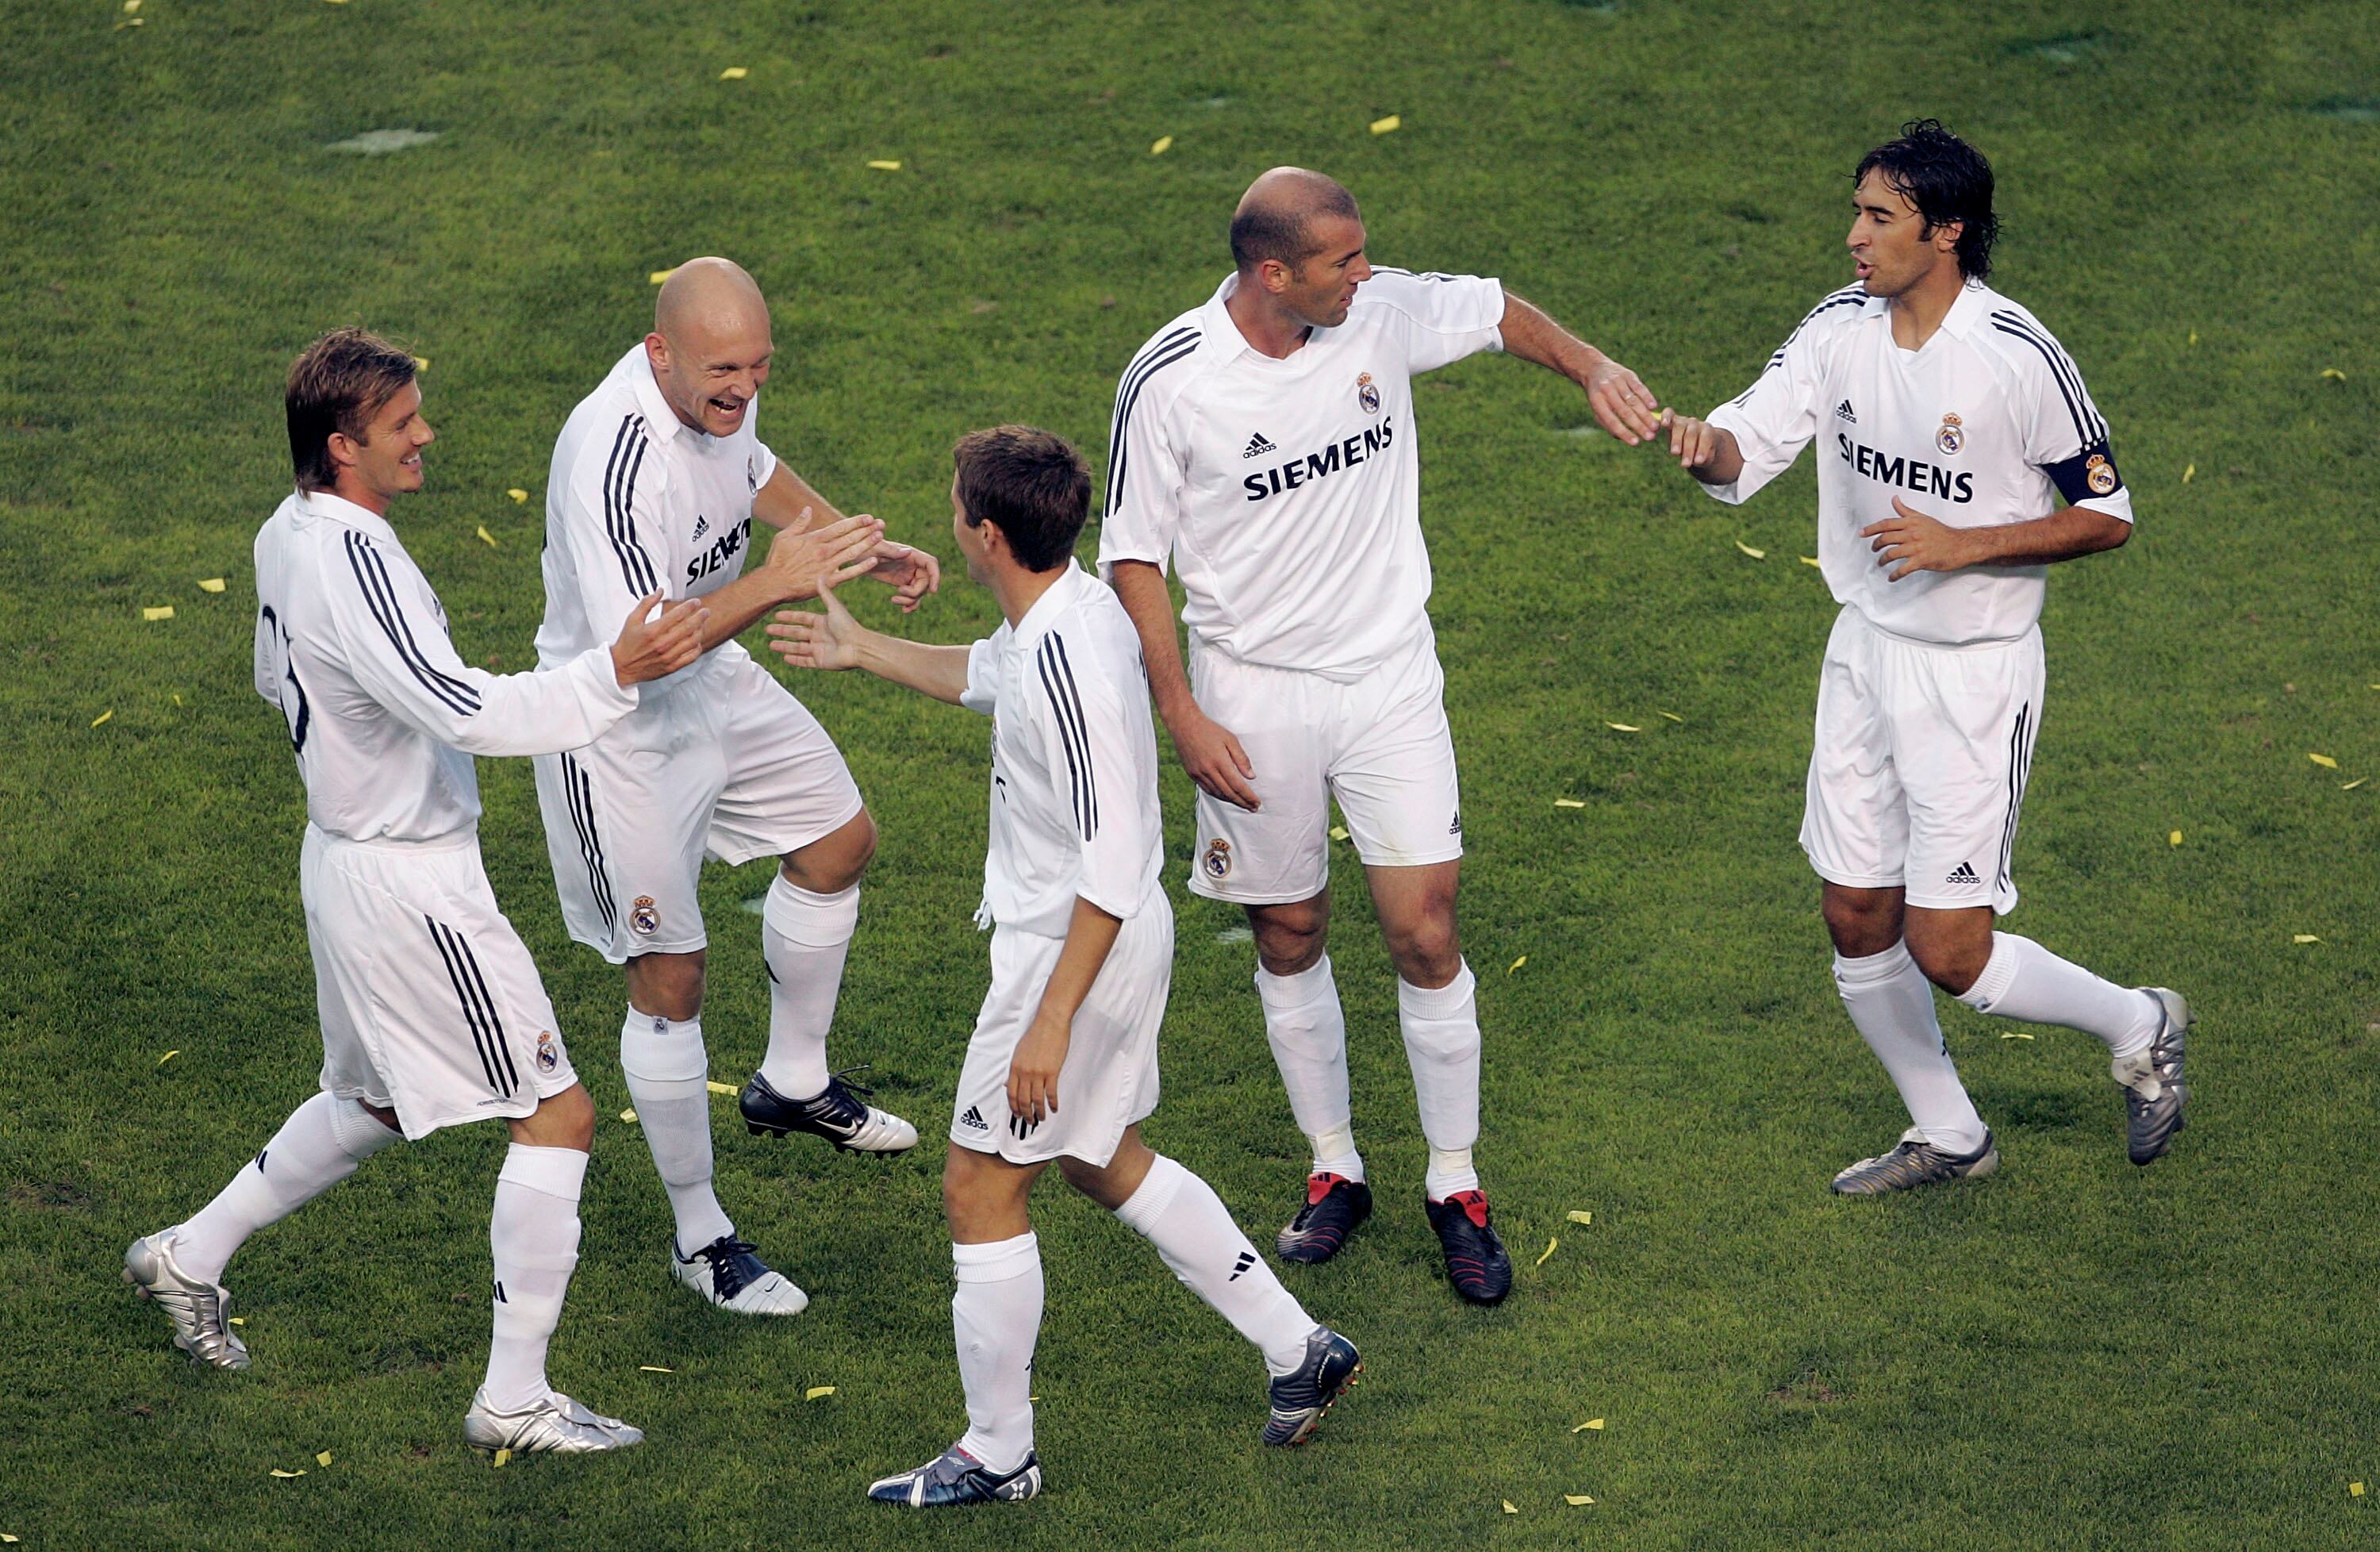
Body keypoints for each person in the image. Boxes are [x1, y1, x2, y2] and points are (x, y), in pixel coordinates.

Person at [126, 328, 708, 1453]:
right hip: (408, 882)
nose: (426, 434)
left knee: (377, 1102)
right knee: (559, 1114)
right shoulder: (355, 558)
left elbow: (271, 677)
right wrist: (612, 673)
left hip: (343, 858)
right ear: (343, 446)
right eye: (403, 425)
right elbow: (465, 712)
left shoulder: (286, 534)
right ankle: (514, 1402)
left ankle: (185, 1256)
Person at [1098, 167, 1664, 1301]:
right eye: (1343, 263)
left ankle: (1454, 1183)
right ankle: (1334, 1169)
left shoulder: (1378, 313)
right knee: (1291, 929)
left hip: (1389, 680)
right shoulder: (1170, 380)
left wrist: (1596, 365)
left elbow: (1499, 310)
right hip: (1254, 696)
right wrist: (1183, 710)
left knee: (1425, 930)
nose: (1368, 277)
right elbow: (1133, 556)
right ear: (1274, 274)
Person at [770, 426, 1360, 1508]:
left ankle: (999, 1451)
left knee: (979, 1188)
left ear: (985, 533)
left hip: (1076, 951)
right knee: (1100, 1156)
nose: (950, 520)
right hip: (1099, 942)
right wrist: (863, 652)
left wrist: (1049, 1021)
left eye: (955, 509)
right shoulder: (1066, 611)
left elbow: (1116, 859)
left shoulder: (1071, 661)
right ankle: (1299, 1347)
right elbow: (986, 675)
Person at [1653, 120, 2190, 1192]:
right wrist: (1684, 436)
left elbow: (2110, 513)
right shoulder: (1837, 329)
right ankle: (1949, 1133)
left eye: (1879, 217)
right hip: (1863, 656)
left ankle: (2141, 1024)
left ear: (1945, 232)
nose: (1854, 236)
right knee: (1854, 913)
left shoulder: (2014, 355)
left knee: (1952, 952)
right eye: (1856, 211)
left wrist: (1965, 543)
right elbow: (1743, 445)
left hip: (1973, 678)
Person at [532, 257, 940, 1314]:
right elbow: (647, 650)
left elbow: (754, 469)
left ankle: (792, 1083)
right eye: (725, 371)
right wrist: (778, 580)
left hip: (716, 674)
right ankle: (701, 1235)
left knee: (840, 841)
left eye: (760, 367)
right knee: (671, 974)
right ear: (660, 352)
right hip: (615, 730)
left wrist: (855, 542)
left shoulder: (717, 399)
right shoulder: (611, 460)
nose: (744, 390)